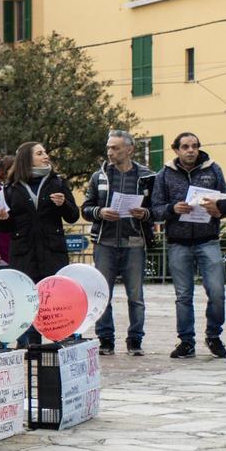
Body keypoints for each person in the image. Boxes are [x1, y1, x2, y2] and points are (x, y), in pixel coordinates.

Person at [150, 131, 226, 359]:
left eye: (194, 146)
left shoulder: (213, 169)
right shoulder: (164, 174)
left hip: (208, 240)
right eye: (185, 147)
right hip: (178, 243)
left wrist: (219, 208)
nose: (190, 150)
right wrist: (173, 209)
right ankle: (186, 341)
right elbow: (155, 208)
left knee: (217, 292)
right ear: (176, 150)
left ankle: (213, 335)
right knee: (183, 296)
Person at [0, 141, 80, 345]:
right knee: (28, 297)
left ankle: (61, 334)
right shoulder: (11, 187)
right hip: (24, 251)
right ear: (27, 158)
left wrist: (63, 204)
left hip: (52, 250)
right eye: (40, 153)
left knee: (55, 296)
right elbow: (4, 227)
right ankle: (30, 340)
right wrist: (3, 219)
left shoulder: (57, 182)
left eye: (45, 152)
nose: (46, 156)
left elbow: (73, 216)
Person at [81, 129, 155, 356]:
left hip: (134, 242)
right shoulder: (99, 176)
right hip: (105, 242)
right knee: (103, 294)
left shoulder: (148, 177)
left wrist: (145, 214)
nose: (110, 152)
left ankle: (135, 341)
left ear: (129, 149)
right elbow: (85, 209)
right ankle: (105, 340)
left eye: (115, 148)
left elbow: (158, 209)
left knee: (136, 296)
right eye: (108, 148)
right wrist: (100, 212)